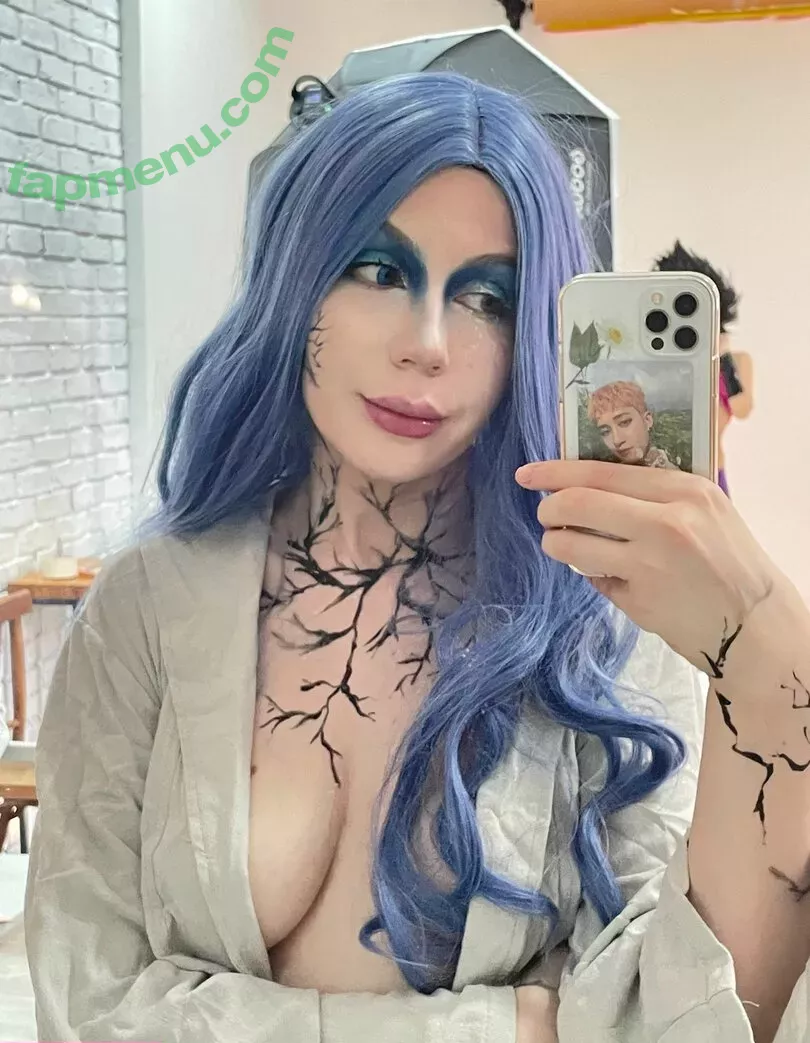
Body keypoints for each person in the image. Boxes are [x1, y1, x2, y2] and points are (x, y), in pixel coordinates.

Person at [25, 73, 810, 1043]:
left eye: (486, 295)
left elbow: (679, 1017)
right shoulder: (146, 606)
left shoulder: (603, 618)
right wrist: (504, 1027)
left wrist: (765, 636)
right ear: (294, 277)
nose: (429, 343)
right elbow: (86, 1004)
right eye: (378, 268)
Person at [653, 241, 754, 496]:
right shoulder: (660, 364)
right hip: (663, 474)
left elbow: (742, 408)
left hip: (712, 474)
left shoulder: (737, 361)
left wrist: (723, 358)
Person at [587, 380, 680, 470]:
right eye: (605, 432)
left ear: (647, 420)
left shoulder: (672, 475)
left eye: (624, 422)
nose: (617, 440)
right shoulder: (611, 474)